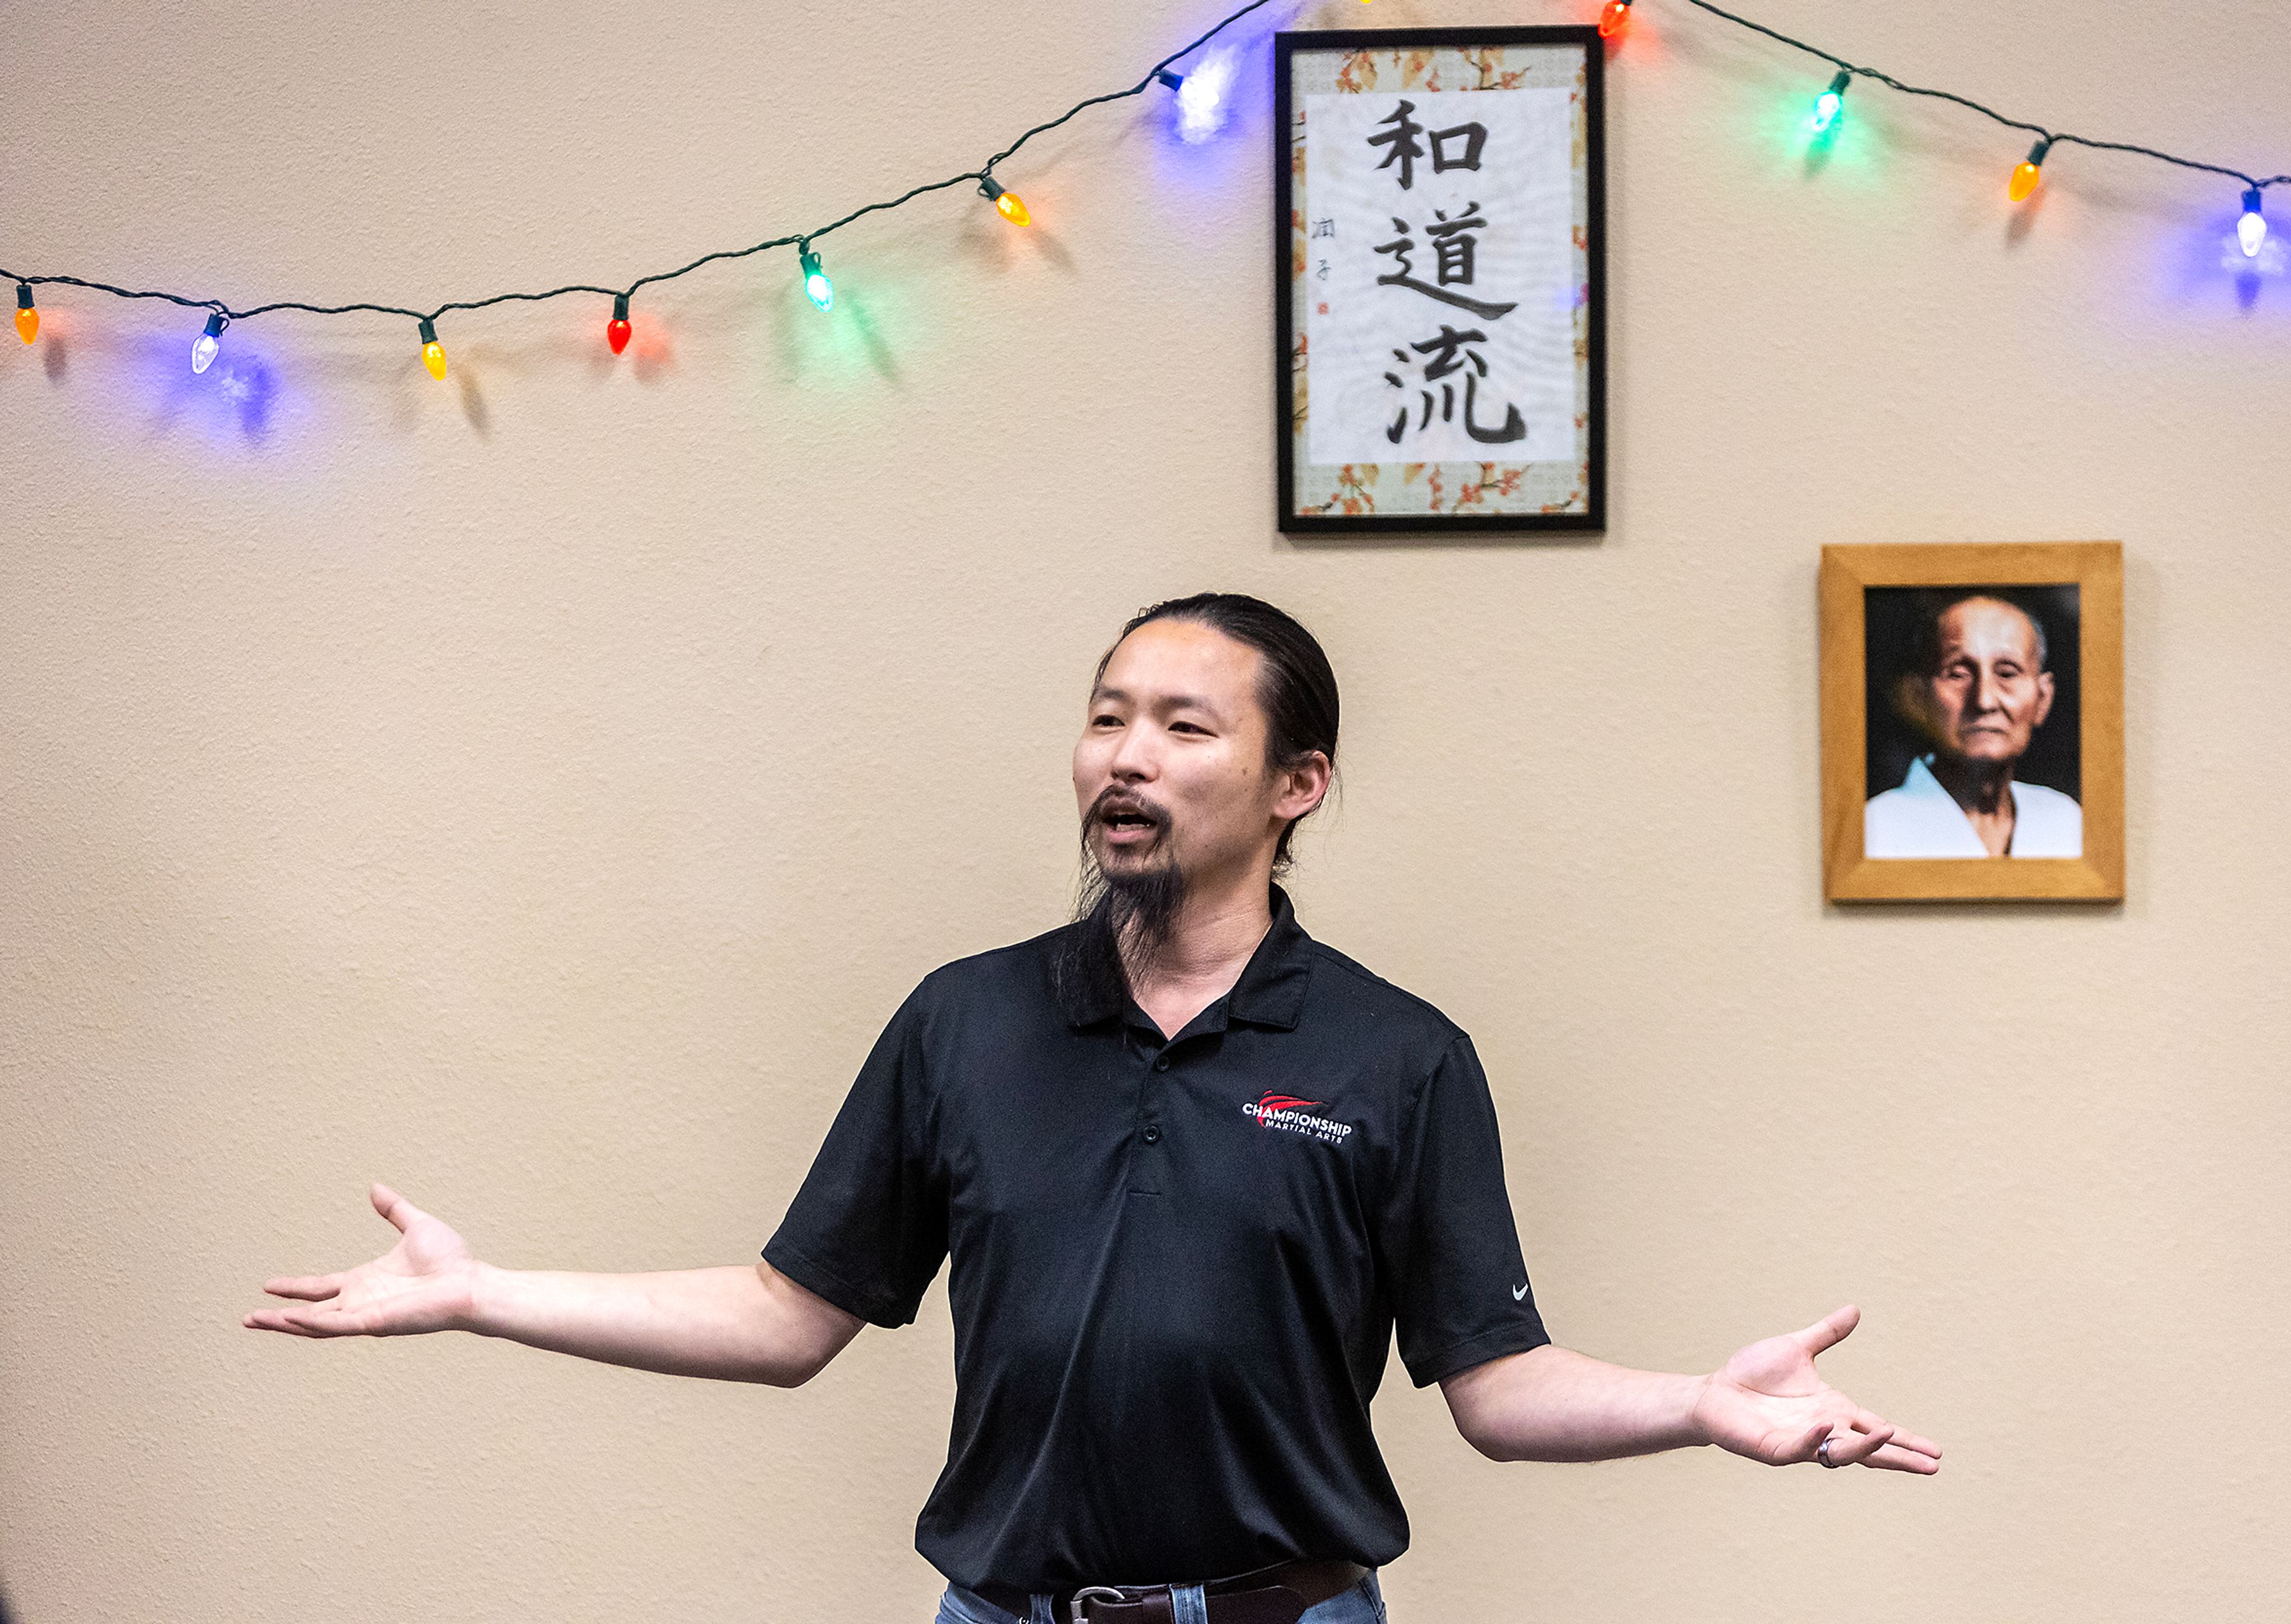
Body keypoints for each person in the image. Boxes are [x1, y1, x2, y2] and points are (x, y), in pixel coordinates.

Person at [248, 593, 1942, 1624]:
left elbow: (1498, 1389)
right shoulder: (968, 1021)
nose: (1124, 755)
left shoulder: (1396, 1056)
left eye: (1182, 726)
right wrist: (482, 1296)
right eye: (1105, 717)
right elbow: (783, 1317)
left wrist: (1702, 1406)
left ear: (1297, 788)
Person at [1864, 592, 2082, 859]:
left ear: (2042, 699)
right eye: (1958, 674)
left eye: (2007, 673)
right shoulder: (1875, 830)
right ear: (1918, 699)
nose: (1984, 700)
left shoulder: (2066, 822)